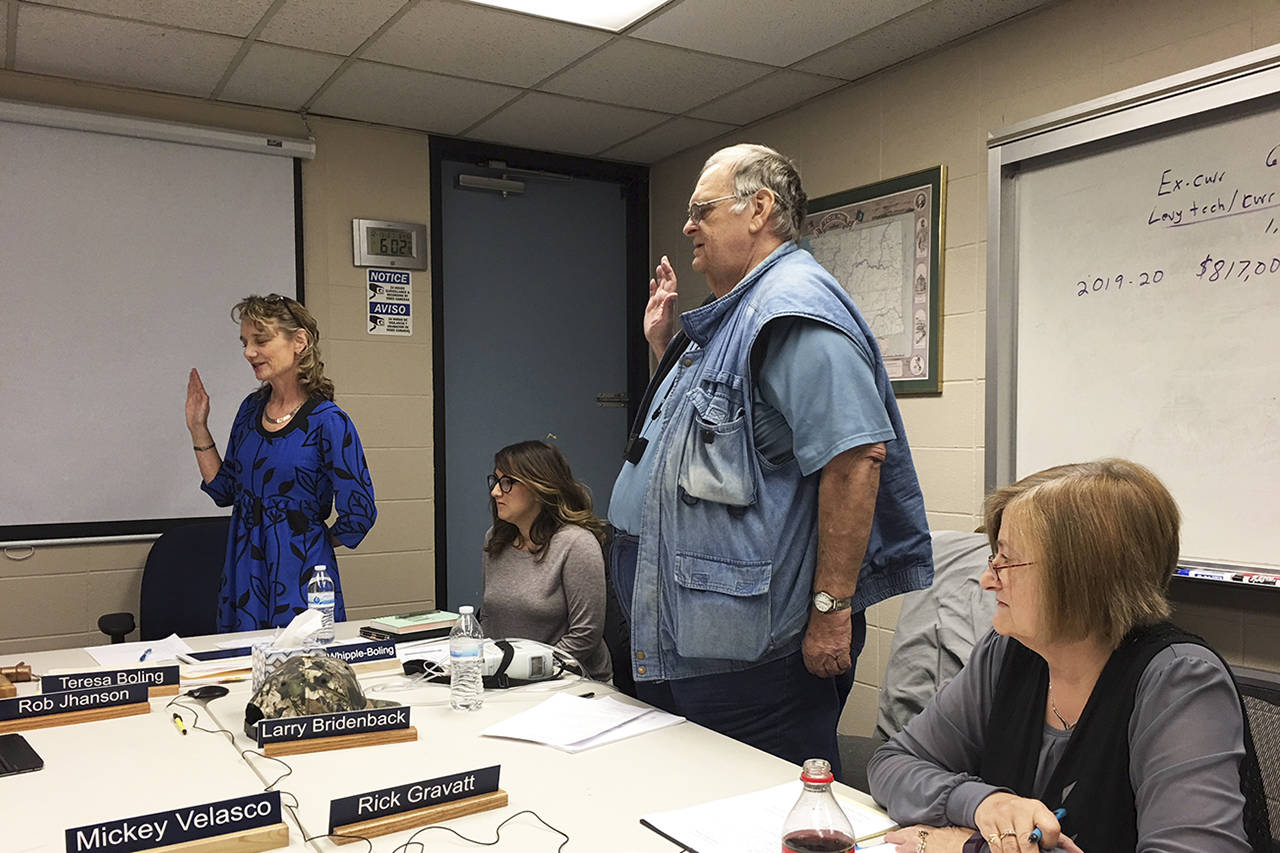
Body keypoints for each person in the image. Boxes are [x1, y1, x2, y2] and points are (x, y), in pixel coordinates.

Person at [606, 143, 933, 771]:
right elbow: (722, 439)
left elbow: (856, 458)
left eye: (702, 209)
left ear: (758, 209)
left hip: (751, 665)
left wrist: (831, 615)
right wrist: (665, 347)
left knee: (759, 820)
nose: (687, 225)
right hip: (696, 644)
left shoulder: (791, 308)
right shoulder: (737, 315)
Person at [869, 459, 1271, 853]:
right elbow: (893, 763)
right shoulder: (1008, 651)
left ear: (1080, 578)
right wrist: (985, 803)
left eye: (1006, 559)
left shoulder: (1181, 682)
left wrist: (975, 847)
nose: (988, 578)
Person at [186, 294, 377, 632]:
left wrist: (307, 537)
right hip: (244, 571)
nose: (249, 352)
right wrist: (198, 427)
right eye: (245, 342)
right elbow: (224, 489)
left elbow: (359, 512)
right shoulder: (249, 410)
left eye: (260, 340)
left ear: (299, 341)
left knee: (300, 675)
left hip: (301, 574)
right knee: (243, 670)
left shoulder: (328, 421)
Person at [479, 440, 612, 681]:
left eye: (507, 482)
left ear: (539, 487)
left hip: (570, 680)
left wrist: (527, 671)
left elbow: (585, 635)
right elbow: (489, 618)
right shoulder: (496, 539)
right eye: (496, 481)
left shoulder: (576, 543)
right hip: (507, 677)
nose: (495, 491)